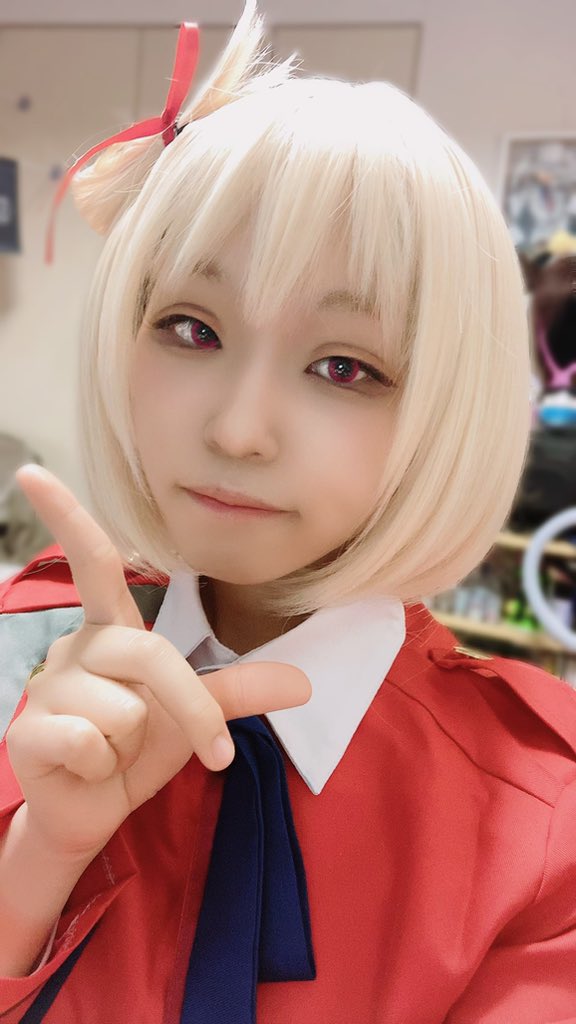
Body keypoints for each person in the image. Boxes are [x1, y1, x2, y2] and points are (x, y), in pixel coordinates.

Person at [1, 3, 576, 1021]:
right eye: (190, 326)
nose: (237, 430)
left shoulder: (542, 816)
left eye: (344, 366)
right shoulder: (28, 649)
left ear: (449, 404)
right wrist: (41, 857)